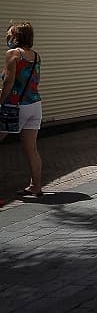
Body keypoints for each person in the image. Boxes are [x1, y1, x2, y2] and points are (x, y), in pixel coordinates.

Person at [1, 21, 43, 198]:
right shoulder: (36, 56)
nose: (6, 37)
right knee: (31, 149)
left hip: (15, 107)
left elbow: (8, 83)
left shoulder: (13, 54)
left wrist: (0, 101)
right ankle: (36, 187)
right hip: (34, 105)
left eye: (9, 34)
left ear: (18, 36)